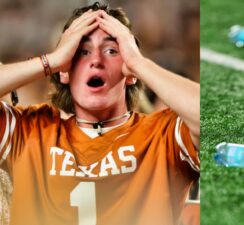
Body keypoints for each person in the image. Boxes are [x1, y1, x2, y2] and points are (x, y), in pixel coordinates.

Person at [0, 2, 199, 225]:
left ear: (129, 72)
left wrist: (138, 62)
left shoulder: (162, 136)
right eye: (82, 52)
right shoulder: (30, 131)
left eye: (112, 51)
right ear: (65, 71)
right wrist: (52, 61)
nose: (96, 61)